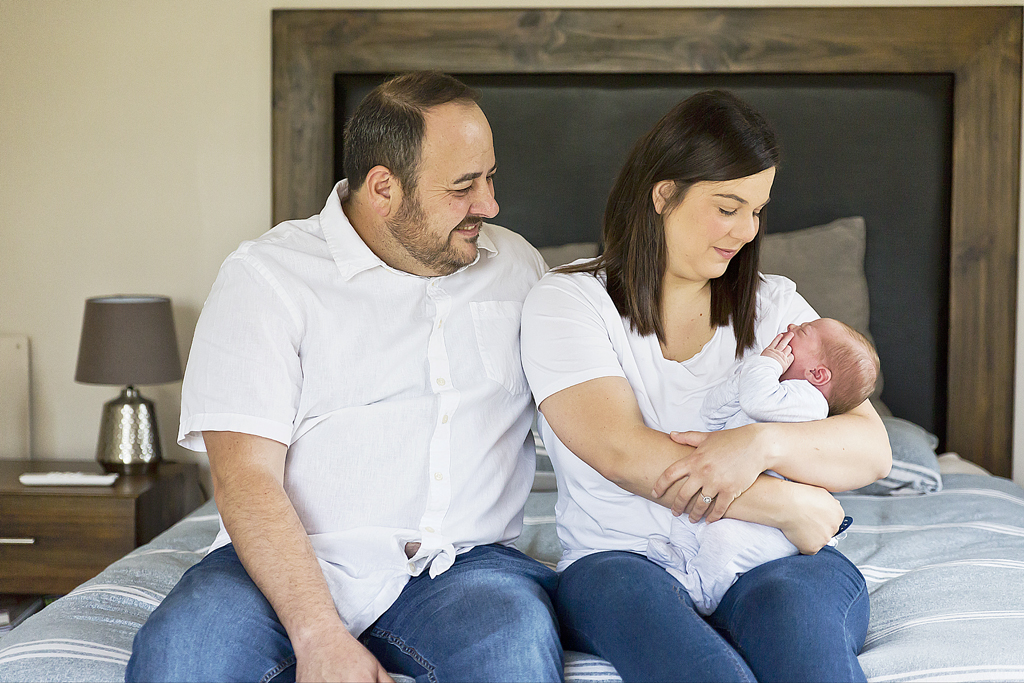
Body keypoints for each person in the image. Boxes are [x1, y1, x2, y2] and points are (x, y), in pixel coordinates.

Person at [126, 71, 563, 683]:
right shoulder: (266, 278)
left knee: (515, 649)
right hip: (285, 562)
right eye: (464, 186)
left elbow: (585, 416)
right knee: (185, 656)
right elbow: (245, 478)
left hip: (462, 567)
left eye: (491, 178)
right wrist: (320, 637)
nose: (488, 205)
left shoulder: (519, 267)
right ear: (383, 187)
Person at [520, 90, 892, 682]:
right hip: (624, 561)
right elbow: (623, 453)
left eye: (757, 211)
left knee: (808, 659)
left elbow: (872, 450)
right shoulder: (569, 302)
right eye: (727, 207)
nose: (746, 230)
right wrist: (790, 504)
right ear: (664, 194)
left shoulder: (776, 308)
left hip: (770, 560)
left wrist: (760, 445)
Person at [646, 318, 880, 616]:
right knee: (687, 517)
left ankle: (702, 590)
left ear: (817, 374)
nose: (792, 326)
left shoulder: (808, 402)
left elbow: (757, 401)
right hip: (741, 502)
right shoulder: (769, 387)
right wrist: (746, 376)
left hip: (767, 528)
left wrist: (766, 364)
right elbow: (712, 412)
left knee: (724, 541)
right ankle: (683, 557)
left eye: (802, 331)